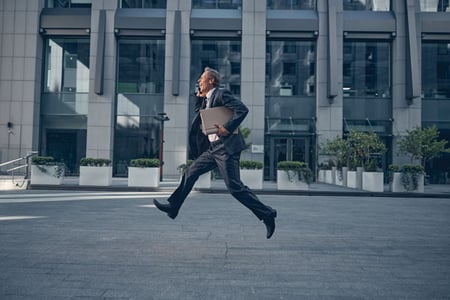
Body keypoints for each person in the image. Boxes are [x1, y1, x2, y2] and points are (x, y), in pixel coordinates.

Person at [153, 67, 277, 239]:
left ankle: (267, 214)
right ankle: (173, 207)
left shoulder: (221, 94)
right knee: (190, 172)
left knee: (235, 188)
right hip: (212, 150)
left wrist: (227, 128)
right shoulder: (207, 99)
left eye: (202, 79)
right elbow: (199, 112)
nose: (199, 81)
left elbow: (242, 110)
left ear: (211, 81)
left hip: (225, 149)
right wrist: (199, 95)